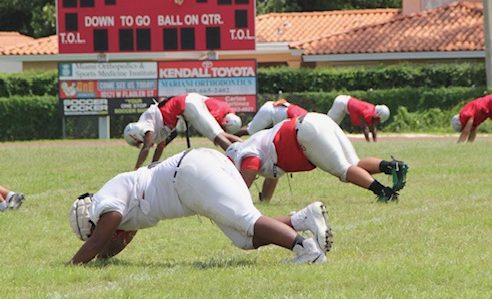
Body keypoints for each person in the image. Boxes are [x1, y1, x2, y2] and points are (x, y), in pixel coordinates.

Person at [68, 148, 333, 265]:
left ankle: (306, 249)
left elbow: (97, 243)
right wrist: (100, 255)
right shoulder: (116, 202)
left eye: (94, 233)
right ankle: (302, 219)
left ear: (91, 221)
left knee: (246, 220)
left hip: (188, 176)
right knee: (243, 238)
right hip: (195, 169)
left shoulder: (105, 205)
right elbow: (110, 247)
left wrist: (73, 264)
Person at [226, 113, 408, 202]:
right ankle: (393, 167)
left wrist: (232, 198)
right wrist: (264, 202)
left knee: (344, 171)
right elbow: (271, 177)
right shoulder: (255, 145)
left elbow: (244, 183)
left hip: (303, 133)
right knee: (354, 164)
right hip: (315, 120)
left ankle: (384, 193)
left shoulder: (246, 154)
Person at [123, 93, 243, 169]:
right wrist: (152, 167)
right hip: (188, 103)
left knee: (217, 136)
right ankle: (245, 149)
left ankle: (243, 158)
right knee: (219, 135)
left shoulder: (146, 125)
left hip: (187, 104)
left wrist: (136, 170)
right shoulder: (154, 124)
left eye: (138, 141)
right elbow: (160, 147)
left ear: (134, 135)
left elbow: (146, 148)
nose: (142, 142)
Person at [235, 99, 308, 137]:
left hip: (273, 109)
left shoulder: (305, 115)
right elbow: (291, 111)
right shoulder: (301, 116)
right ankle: (229, 138)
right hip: (269, 111)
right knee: (249, 131)